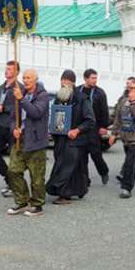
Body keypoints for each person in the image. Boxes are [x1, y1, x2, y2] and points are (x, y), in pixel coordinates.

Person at [7, 69, 52, 216]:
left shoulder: (43, 96)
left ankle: (37, 205)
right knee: (13, 171)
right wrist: (14, 128)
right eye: (24, 78)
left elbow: (36, 112)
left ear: (35, 79)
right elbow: (13, 117)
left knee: (37, 177)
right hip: (20, 140)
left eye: (28, 78)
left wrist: (22, 99)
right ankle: (22, 201)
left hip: (36, 141)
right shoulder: (21, 94)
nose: (25, 80)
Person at [47, 70, 94, 204]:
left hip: (75, 140)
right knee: (73, 167)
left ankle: (64, 194)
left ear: (72, 83)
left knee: (66, 167)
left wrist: (77, 130)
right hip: (61, 139)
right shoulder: (59, 98)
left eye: (66, 82)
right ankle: (80, 190)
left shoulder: (82, 99)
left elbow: (90, 120)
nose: (63, 85)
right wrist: (52, 129)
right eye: (62, 82)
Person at [0, 61, 21, 197]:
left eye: (9, 69)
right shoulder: (1, 87)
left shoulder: (18, 88)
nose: (6, 71)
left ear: (16, 72)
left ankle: (16, 186)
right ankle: (9, 179)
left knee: (14, 157)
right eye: (6, 68)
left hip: (12, 126)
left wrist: (4, 108)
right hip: (1, 124)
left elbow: (18, 107)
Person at [78, 69, 110, 185]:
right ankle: (85, 180)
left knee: (96, 154)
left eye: (96, 78)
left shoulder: (100, 93)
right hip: (81, 128)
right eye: (92, 78)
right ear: (85, 78)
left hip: (94, 128)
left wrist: (104, 126)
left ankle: (104, 172)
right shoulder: (78, 91)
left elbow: (104, 111)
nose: (95, 80)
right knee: (82, 156)